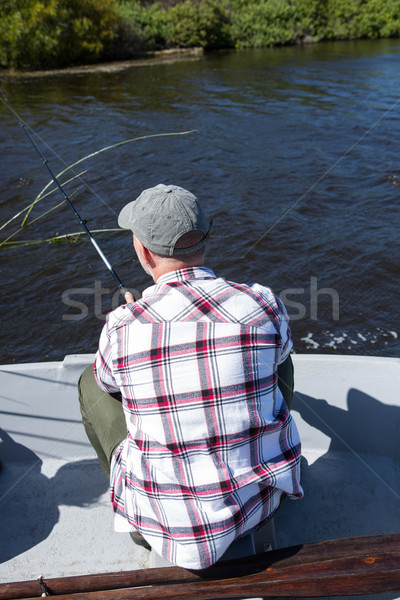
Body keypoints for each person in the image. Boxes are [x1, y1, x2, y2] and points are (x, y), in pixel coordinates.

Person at [78, 184, 303, 570]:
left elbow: (106, 382)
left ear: (143, 251)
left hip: (156, 530)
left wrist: (130, 322)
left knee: (89, 380)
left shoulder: (122, 326)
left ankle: (126, 493)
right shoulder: (261, 302)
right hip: (262, 507)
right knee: (281, 355)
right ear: (205, 238)